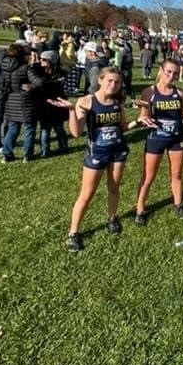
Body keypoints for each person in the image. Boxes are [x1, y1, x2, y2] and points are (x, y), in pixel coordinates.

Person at [50, 67, 130, 251]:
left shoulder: (118, 102)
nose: (113, 85)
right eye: (110, 80)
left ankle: (111, 218)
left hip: (118, 152)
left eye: (117, 82)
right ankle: (73, 233)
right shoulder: (86, 101)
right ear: (100, 80)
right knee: (86, 195)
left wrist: (141, 119)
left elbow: (124, 127)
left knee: (114, 188)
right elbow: (76, 132)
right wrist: (72, 111)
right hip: (96, 154)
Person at [133, 59, 183, 225]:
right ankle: (140, 209)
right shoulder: (149, 92)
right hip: (156, 138)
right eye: (168, 71)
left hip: (176, 138)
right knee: (148, 177)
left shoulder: (180, 93)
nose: (171, 75)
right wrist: (143, 110)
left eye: (175, 73)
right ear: (161, 70)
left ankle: (178, 204)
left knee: (176, 175)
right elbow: (144, 116)